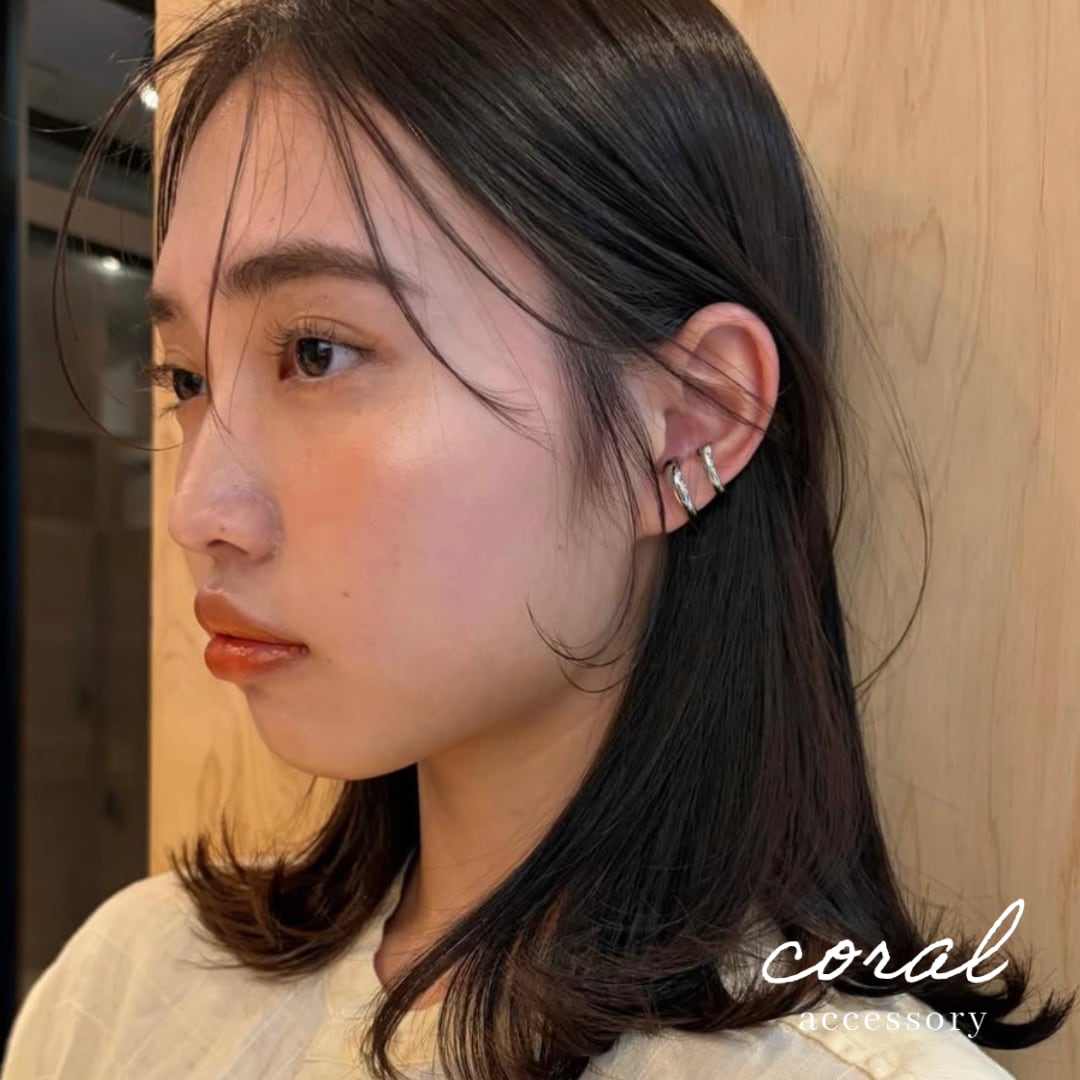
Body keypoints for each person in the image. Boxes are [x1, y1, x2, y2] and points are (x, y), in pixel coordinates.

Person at [2, 0, 1072, 1077]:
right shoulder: (128, 990)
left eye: (317, 353)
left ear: (689, 420)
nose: (196, 512)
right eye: (186, 377)